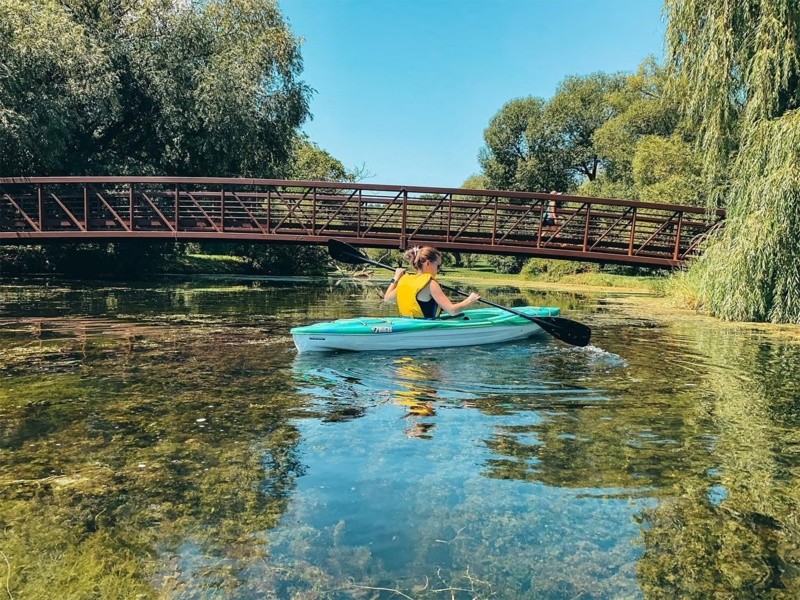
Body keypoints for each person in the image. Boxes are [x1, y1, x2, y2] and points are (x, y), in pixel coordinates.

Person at [383, 246, 480, 319]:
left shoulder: (405, 279)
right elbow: (452, 311)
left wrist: (396, 278)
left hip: (407, 323)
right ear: (428, 263)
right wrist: (469, 300)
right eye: (438, 266)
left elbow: (387, 298)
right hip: (425, 327)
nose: (438, 269)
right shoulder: (430, 283)